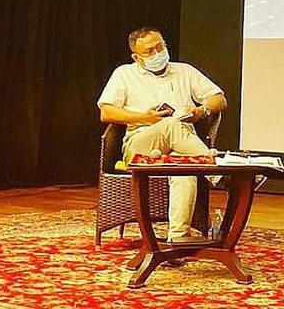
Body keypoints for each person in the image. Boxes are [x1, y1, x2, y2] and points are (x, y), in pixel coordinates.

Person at [97, 27, 227, 242]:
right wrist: (145, 118)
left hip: (180, 146)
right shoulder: (124, 74)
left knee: (184, 170)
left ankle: (177, 238)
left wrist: (201, 110)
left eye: (160, 47)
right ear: (136, 57)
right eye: (150, 51)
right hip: (141, 144)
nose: (157, 54)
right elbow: (107, 112)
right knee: (170, 125)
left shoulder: (184, 71)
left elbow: (219, 99)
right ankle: (219, 173)